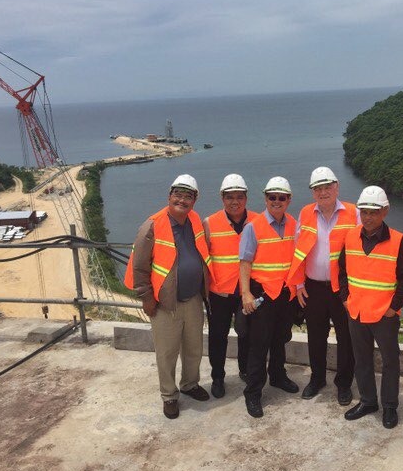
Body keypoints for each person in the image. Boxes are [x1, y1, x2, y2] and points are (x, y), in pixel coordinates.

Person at [124, 174, 211, 419]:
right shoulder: (152, 225)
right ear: (169, 196)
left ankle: (190, 384)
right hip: (164, 304)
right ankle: (169, 396)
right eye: (178, 195)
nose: (182, 200)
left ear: (195, 200)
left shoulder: (194, 220)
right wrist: (146, 298)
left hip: (193, 299)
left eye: (188, 196)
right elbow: (139, 266)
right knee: (167, 352)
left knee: (194, 348)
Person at [339, 186, 403, 429]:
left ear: (385, 211)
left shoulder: (398, 240)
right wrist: (345, 299)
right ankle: (368, 401)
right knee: (362, 360)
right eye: (364, 212)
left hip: (384, 314)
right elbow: (342, 271)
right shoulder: (350, 237)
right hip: (357, 311)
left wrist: (394, 307)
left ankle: (390, 406)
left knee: (390, 360)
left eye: (373, 212)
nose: (368, 217)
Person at [287, 166, 358, 405]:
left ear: (336, 187)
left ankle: (344, 383)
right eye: (318, 188)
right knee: (315, 335)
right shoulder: (306, 213)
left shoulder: (353, 212)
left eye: (327, 187)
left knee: (346, 337)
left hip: (342, 289)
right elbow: (297, 250)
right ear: (312, 192)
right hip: (313, 287)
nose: (323, 192)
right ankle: (317, 379)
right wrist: (297, 284)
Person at [239, 176, 299, 418]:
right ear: (265, 199)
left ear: (288, 200)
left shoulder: (294, 225)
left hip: (286, 294)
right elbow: (244, 262)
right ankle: (253, 393)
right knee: (258, 345)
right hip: (263, 294)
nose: (276, 201)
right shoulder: (253, 227)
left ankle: (278, 376)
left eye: (281, 198)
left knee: (280, 339)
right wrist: (245, 293)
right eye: (272, 197)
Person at [203, 173, 258, 399]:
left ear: (246, 198)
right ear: (222, 198)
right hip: (220, 292)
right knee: (218, 335)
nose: (234, 201)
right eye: (229, 197)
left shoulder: (257, 221)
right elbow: (203, 258)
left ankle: (244, 369)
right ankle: (218, 377)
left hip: (247, 291)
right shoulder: (209, 223)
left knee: (247, 333)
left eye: (239, 197)